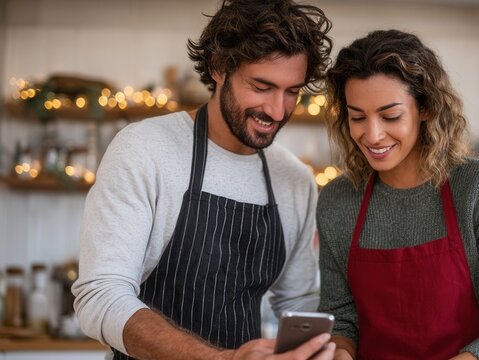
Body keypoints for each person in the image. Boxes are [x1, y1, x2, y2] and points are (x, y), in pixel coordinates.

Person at [72, 1, 335, 359]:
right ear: (218, 67)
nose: (277, 110)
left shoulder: (294, 179)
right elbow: (100, 295)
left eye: (292, 91)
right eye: (261, 86)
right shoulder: (145, 150)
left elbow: (298, 302)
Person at [317, 30, 479, 360]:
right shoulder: (338, 200)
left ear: (425, 108)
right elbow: (342, 321)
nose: (373, 134)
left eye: (390, 116)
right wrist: (338, 352)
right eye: (357, 117)